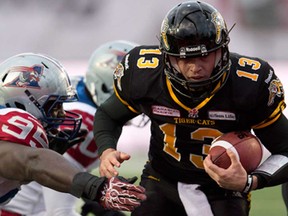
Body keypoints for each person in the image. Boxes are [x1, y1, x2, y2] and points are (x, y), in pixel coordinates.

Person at [93, 1, 288, 216]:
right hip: (162, 180)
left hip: (221, 190)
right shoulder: (144, 74)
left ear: (222, 50)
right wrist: (106, 150)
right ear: (167, 56)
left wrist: (250, 181)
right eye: (185, 58)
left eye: (204, 56)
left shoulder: (248, 84)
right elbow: (108, 115)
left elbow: (285, 149)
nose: (195, 68)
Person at [0, 52, 146, 213]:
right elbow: (32, 162)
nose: (62, 114)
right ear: (21, 103)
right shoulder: (17, 126)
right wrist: (96, 188)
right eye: (54, 106)